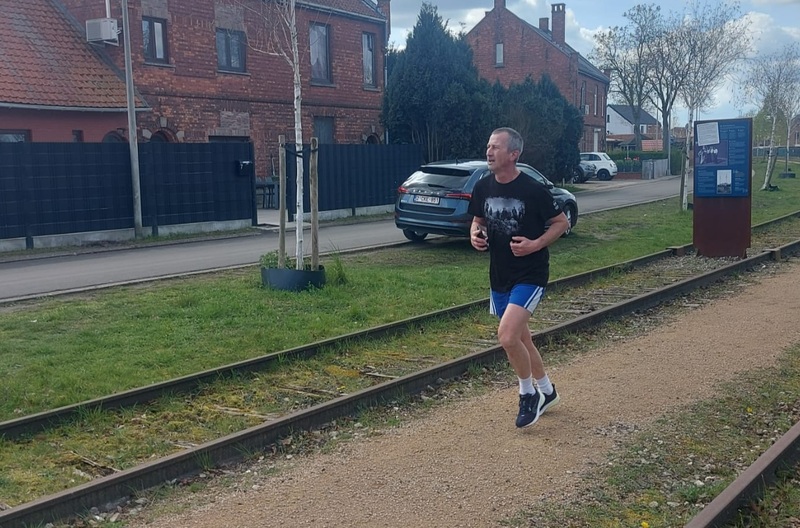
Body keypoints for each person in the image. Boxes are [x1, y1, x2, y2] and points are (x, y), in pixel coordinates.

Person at [468, 127, 570, 428]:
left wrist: (536, 244)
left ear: (514, 154)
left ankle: (529, 395)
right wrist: (475, 235)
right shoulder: (483, 187)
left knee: (508, 336)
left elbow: (561, 222)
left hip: (530, 272)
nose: (489, 151)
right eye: (488, 146)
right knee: (522, 338)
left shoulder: (533, 190)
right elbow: (477, 220)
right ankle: (548, 391)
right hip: (499, 274)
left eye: (496, 147)